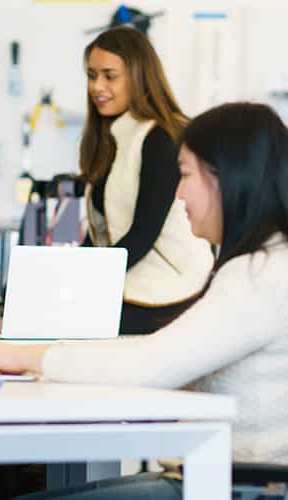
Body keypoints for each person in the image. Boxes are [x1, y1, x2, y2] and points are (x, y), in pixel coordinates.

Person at [0, 102, 288, 499]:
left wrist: (21, 357)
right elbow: (159, 354)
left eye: (184, 175)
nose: (178, 193)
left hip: (223, 486)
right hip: (218, 480)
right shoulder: (280, 263)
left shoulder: (264, 273)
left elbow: (149, 365)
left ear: (226, 178)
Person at [80, 26, 213, 334]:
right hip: (132, 288)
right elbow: (100, 236)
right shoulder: (112, 140)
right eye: (91, 75)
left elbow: (143, 233)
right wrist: (60, 279)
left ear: (138, 77)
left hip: (172, 294)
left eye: (109, 76)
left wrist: (79, 282)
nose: (97, 86)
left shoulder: (160, 138)